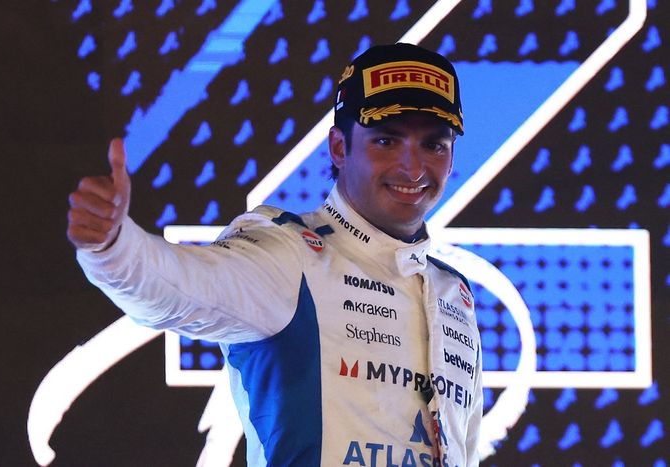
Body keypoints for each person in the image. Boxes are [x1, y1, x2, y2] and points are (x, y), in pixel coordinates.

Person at [68, 43, 482, 467]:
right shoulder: (289, 251)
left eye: (434, 145)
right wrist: (114, 246)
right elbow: (179, 289)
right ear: (339, 148)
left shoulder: (453, 294)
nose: (413, 168)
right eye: (386, 141)